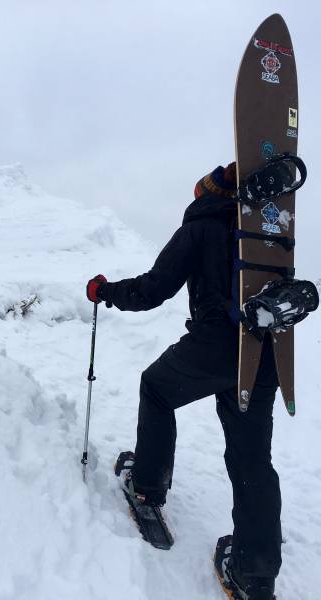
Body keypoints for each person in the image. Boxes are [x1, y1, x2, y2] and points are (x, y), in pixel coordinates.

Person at [86, 164, 280, 600]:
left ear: (206, 194)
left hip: (215, 345)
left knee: (156, 388)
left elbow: (153, 289)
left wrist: (105, 291)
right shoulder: (268, 233)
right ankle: (255, 573)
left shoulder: (200, 226)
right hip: (265, 353)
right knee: (253, 459)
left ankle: (148, 487)